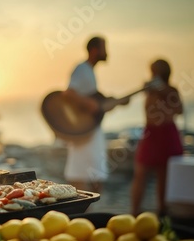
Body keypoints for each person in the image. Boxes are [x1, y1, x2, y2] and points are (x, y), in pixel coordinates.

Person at [62, 36, 128, 194]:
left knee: (96, 175)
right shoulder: (82, 69)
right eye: (104, 48)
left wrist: (115, 102)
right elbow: (68, 94)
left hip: (91, 131)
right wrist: (88, 104)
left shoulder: (89, 71)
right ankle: (80, 213)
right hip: (83, 133)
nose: (107, 52)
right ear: (95, 50)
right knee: (79, 175)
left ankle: (87, 212)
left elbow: (95, 104)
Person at [130, 59, 183, 216]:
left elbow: (179, 109)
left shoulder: (171, 90)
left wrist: (162, 89)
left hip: (167, 135)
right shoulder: (150, 90)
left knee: (164, 177)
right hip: (150, 134)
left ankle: (162, 212)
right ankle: (134, 212)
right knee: (140, 174)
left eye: (154, 72)